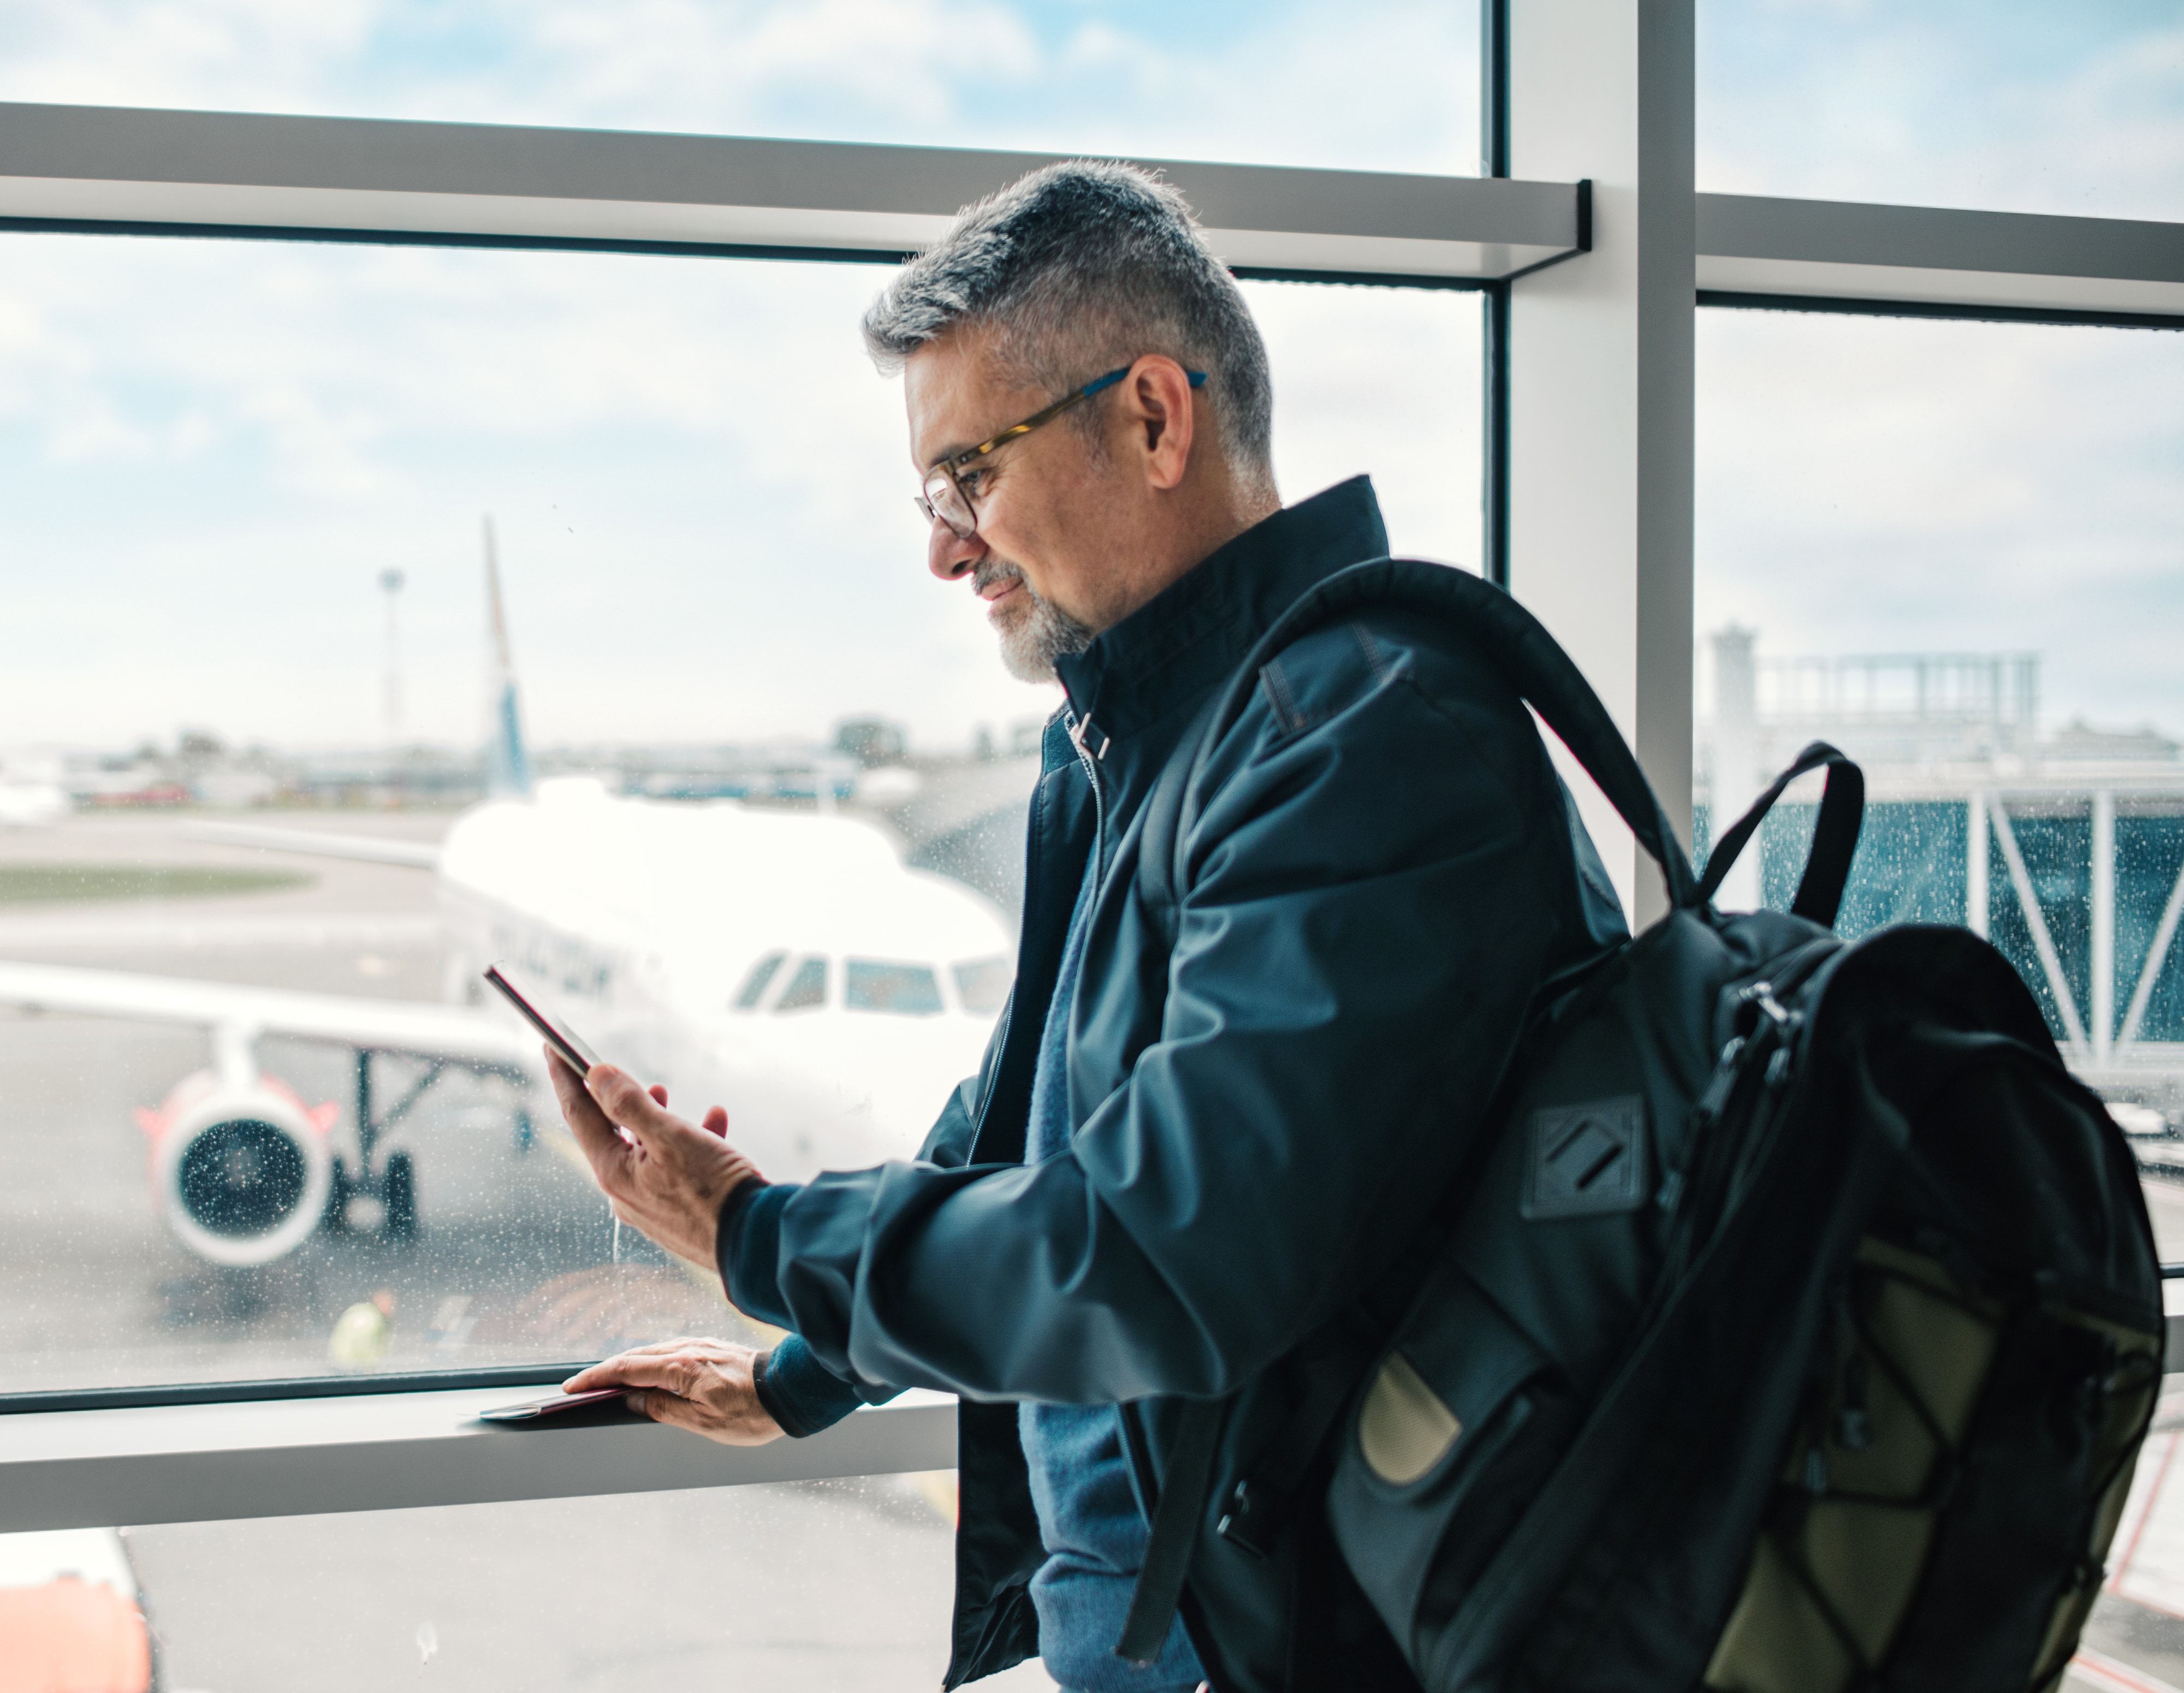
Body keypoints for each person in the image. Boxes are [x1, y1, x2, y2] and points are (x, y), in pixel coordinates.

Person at [545, 161, 1627, 1693]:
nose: (943, 546)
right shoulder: (1148, 741)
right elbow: (1021, 1126)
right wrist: (808, 1368)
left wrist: (759, 1238)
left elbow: (1161, 1246)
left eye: (968, 475)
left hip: (1305, 1641)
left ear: (1154, 419)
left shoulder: (1363, 741)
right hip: (1173, 1628)